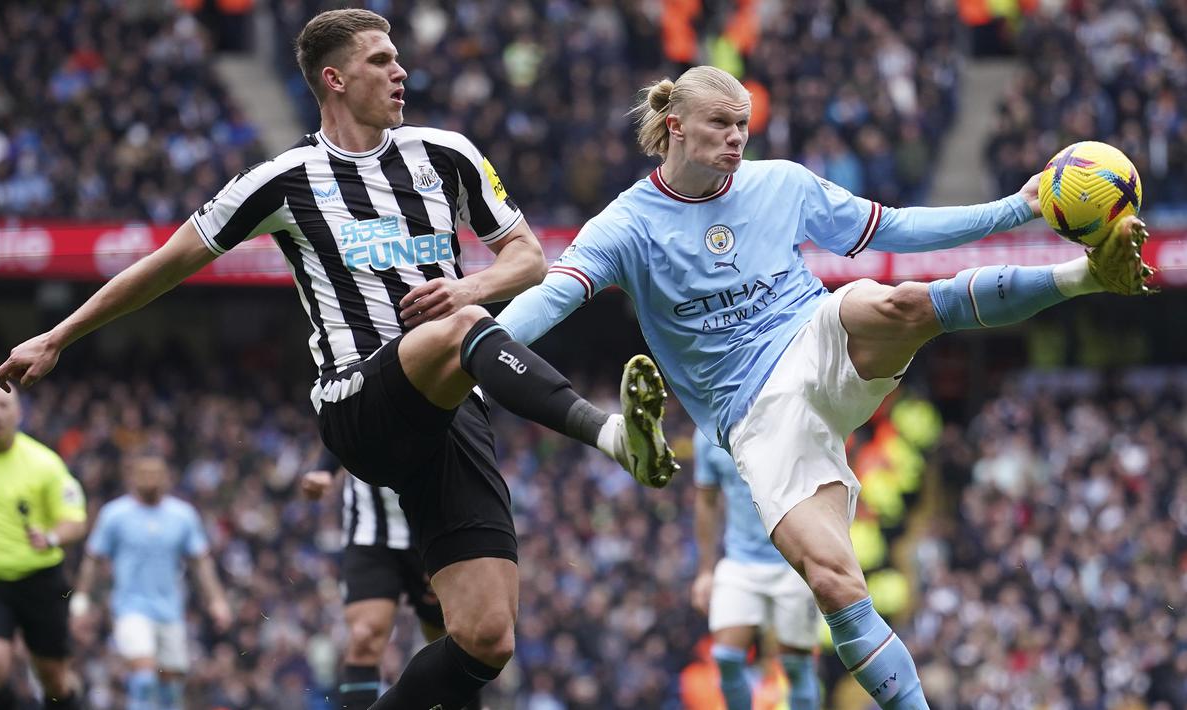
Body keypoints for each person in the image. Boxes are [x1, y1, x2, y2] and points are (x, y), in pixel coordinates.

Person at [0, 10, 677, 709]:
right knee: (463, 327)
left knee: (485, 637)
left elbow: (529, 258)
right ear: (335, 78)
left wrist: (468, 283)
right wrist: (56, 336)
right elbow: (166, 264)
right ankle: (613, 436)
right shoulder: (284, 179)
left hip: (448, 411)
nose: (400, 71)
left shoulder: (446, 153)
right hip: (359, 403)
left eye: (397, 58)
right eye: (380, 60)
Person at [494, 65, 1153, 708]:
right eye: (720, 124)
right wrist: (482, 349)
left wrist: (1017, 207)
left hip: (814, 337)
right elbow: (553, 296)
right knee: (835, 584)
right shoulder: (626, 225)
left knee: (891, 304)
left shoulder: (780, 184)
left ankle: (1086, 277)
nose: (736, 139)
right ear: (674, 127)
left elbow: (895, 229)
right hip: (754, 420)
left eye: (742, 126)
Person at [300, 451, 484, 709]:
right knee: (364, 636)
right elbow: (345, 417)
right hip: (370, 533)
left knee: (453, 638)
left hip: (431, 530)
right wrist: (325, 469)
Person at [0, 378, 88, 710]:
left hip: (40, 580)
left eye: (3, 405)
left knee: (54, 680)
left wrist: (52, 537)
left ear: (19, 414)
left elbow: (75, 520)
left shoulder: (45, 464)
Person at [69, 453, 232, 710]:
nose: (150, 478)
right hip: (130, 609)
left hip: (170, 611)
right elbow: (93, 559)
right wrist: (80, 601)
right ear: (132, 477)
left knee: (172, 689)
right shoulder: (115, 514)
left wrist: (217, 601)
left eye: (155, 473)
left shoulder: (182, 515)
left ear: (167, 478)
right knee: (144, 677)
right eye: (143, 473)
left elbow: (201, 562)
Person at [691, 431, 820, 710]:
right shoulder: (707, 433)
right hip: (740, 561)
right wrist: (705, 571)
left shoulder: (785, 413)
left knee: (796, 665)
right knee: (725, 658)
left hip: (794, 562)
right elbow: (706, 500)